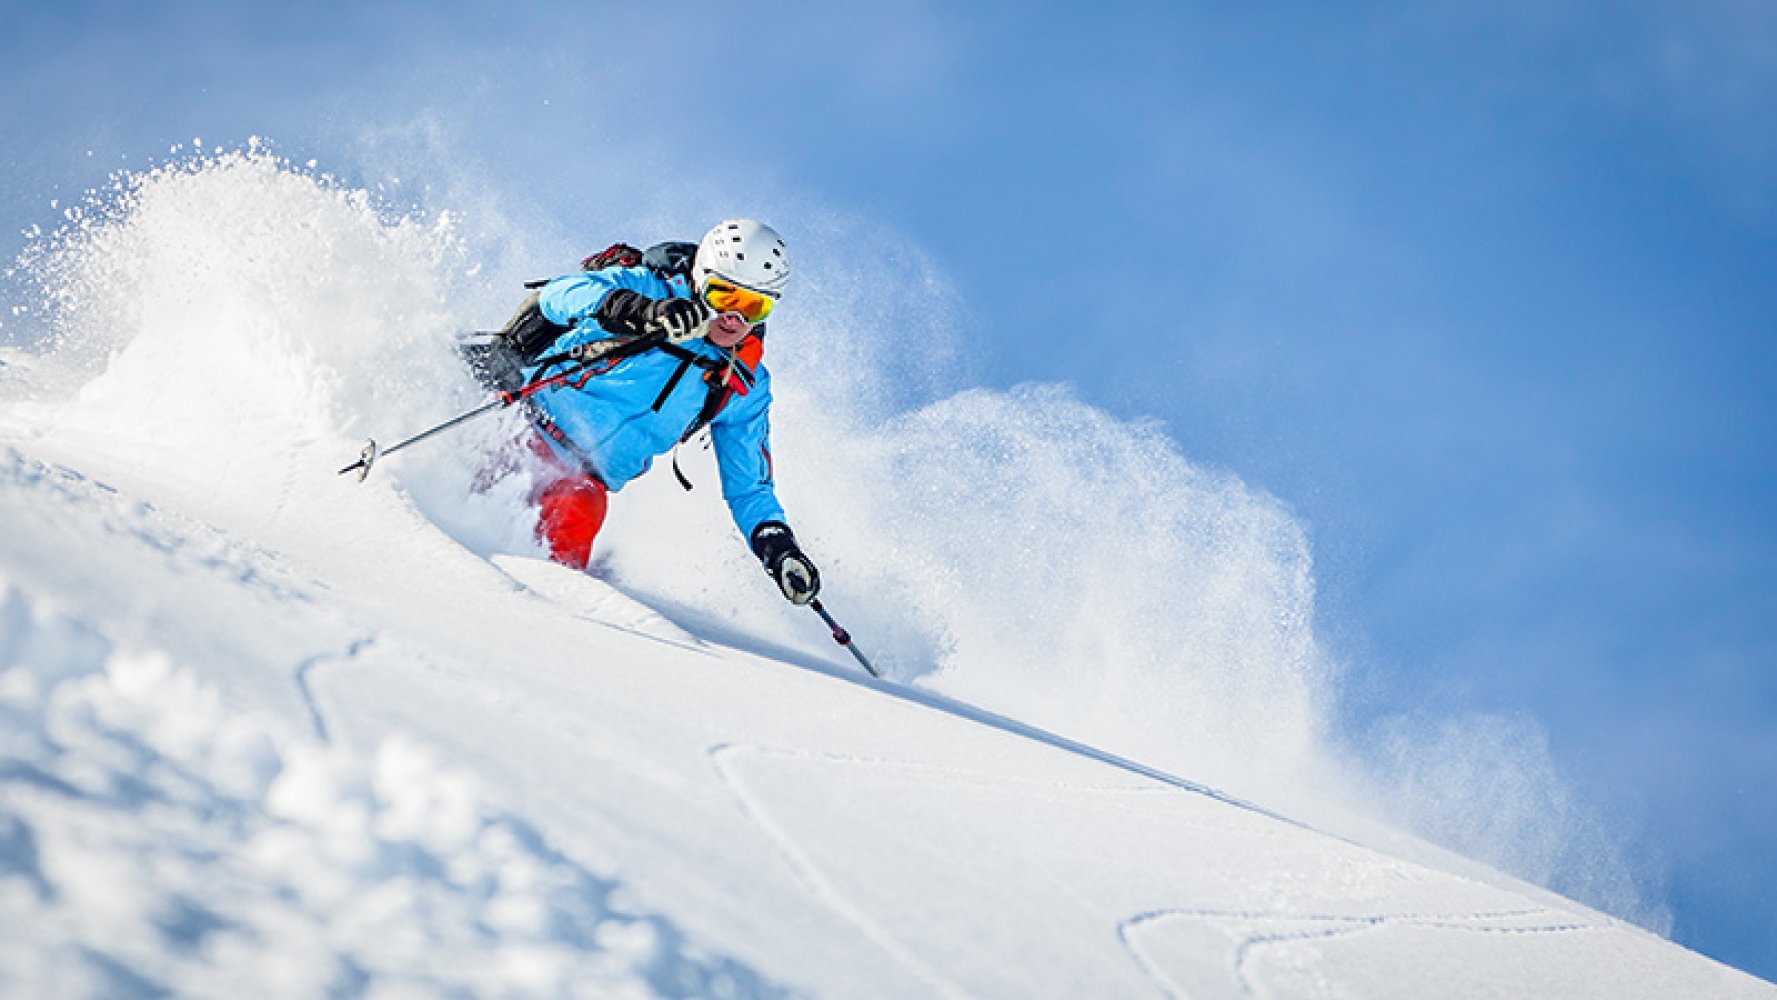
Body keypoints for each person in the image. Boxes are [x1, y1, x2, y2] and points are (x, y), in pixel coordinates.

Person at [498, 218, 820, 606]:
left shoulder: (742, 386)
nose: (734, 318)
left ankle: (539, 625)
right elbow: (559, 295)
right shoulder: (650, 287)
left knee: (575, 520)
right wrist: (642, 309)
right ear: (701, 279)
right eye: (724, 296)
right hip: (521, 422)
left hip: (580, 480)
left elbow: (749, 487)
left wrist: (779, 548)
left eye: (754, 306)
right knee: (474, 471)